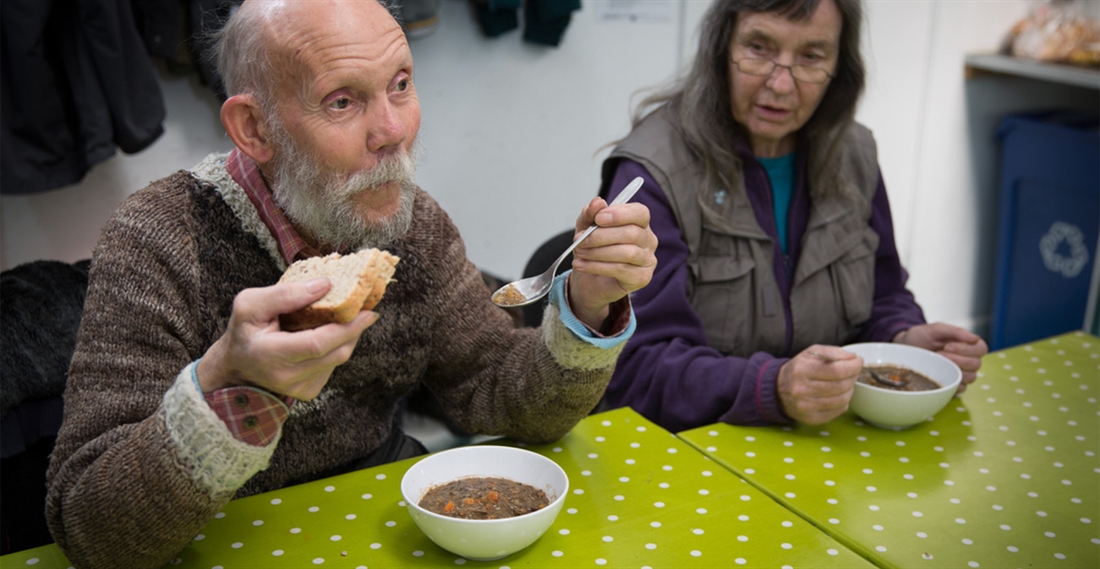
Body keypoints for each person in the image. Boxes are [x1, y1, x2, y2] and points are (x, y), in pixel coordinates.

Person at [43, 1, 657, 567]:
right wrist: (226, 392)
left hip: (385, 514)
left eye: (401, 85)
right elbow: (92, 533)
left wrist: (585, 306)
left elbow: (500, 392)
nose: (392, 130)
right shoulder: (158, 242)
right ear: (254, 129)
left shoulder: (413, 225)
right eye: (342, 101)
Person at [596, 0, 987, 433]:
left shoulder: (855, 155)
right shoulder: (652, 172)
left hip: (826, 443)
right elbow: (633, 370)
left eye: (811, 57)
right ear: (721, 47)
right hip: (689, 451)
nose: (781, 84)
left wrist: (903, 337)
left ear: (841, 67)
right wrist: (773, 386)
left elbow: (885, 292)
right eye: (759, 48)